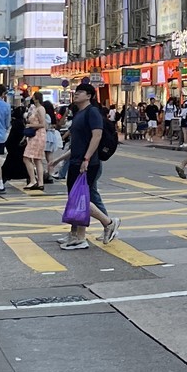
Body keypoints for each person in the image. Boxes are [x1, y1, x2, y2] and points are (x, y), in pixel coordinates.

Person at [58, 81, 119, 249]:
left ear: (89, 96)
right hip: (76, 160)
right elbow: (77, 142)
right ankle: (75, 235)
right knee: (75, 198)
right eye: (76, 91)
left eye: (80, 92)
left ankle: (107, 223)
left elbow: (96, 136)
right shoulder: (79, 113)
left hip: (87, 163)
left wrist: (86, 159)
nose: (76, 94)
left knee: (79, 198)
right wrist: (59, 160)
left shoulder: (92, 112)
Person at [23, 93, 48, 191]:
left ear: (37, 99)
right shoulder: (35, 108)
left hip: (38, 135)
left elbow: (43, 124)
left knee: (26, 157)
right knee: (37, 159)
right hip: (36, 135)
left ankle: (33, 180)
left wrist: (30, 126)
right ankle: (40, 182)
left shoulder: (40, 109)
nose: (32, 99)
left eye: (33, 97)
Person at [3, 102, 27, 183]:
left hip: (14, 148)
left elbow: (11, 137)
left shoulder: (16, 123)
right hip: (20, 147)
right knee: (24, 164)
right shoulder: (22, 123)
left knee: (8, 166)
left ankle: (3, 178)